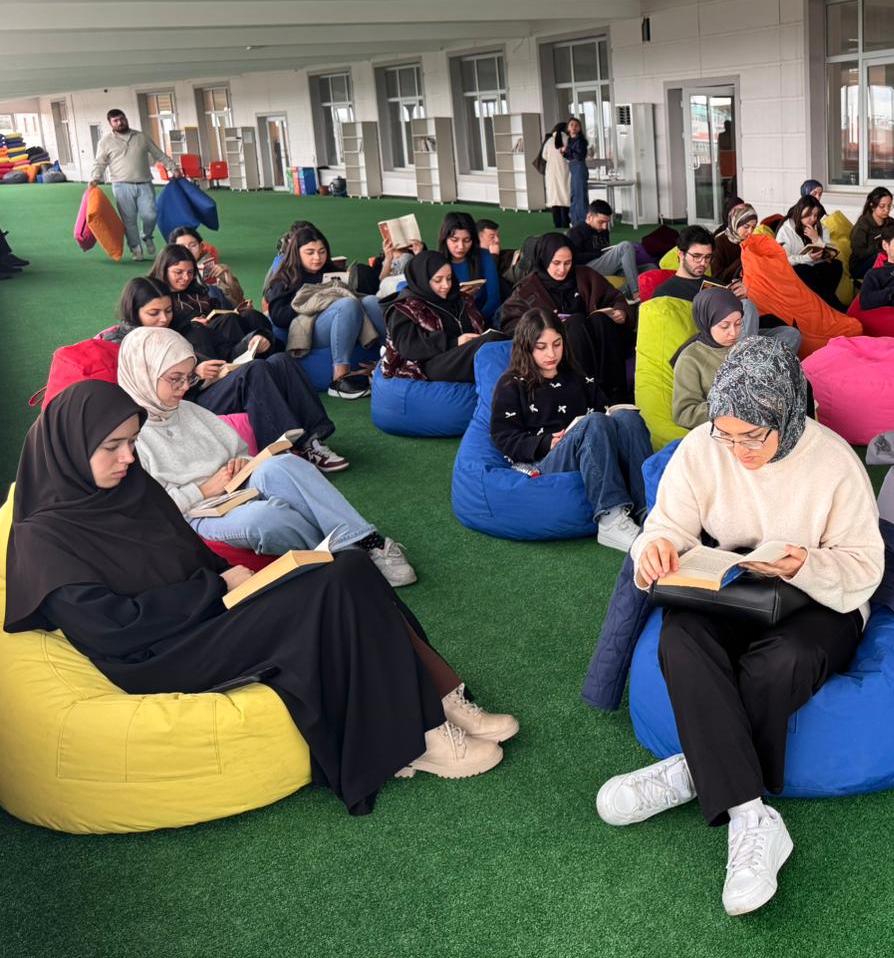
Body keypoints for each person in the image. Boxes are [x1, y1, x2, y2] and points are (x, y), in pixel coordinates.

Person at [5, 381, 517, 815]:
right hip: (159, 653)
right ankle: (415, 735)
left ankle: (440, 696)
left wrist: (231, 577)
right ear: (69, 447)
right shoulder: (42, 537)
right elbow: (111, 628)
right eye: (112, 446)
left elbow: (191, 556)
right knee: (334, 587)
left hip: (208, 615)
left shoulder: (134, 488)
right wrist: (213, 588)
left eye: (132, 442)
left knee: (350, 565)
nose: (128, 457)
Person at [601, 337, 884, 917]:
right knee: (680, 637)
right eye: (725, 435)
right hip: (734, 585)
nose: (738, 450)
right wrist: (655, 549)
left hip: (819, 598)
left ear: (786, 413)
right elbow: (666, 525)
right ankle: (752, 815)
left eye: (752, 436)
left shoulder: (834, 462)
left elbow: (865, 567)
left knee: (780, 662)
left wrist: (803, 564)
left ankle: (694, 769)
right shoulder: (702, 449)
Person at [115, 327, 416, 585]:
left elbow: (240, 451)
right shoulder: (126, 433)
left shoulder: (189, 410)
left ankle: (366, 540)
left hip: (235, 487)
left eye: (188, 378)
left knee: (281, 464)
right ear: (144, 373)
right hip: (197, 513)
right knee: (266, 518)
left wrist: (240, 464)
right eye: (175, 379)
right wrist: (204, 490)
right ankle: (348, 558)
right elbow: (147, 512)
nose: (184, 388)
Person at [100, 277, 348, 472]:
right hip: (184, 403)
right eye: (154, 313)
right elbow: (144, 387)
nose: (164, 319)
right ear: (134, 311)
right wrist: (195, 375)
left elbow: (227, 352)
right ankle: (283, 450)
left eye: (168, 310)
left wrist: (252, 342)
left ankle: (314, 440)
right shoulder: (128, 343)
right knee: (256, 371)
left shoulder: (186, 326)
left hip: (212, 386)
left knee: (280, 360)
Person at [489, 309, 653, 552]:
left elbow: (603, 409)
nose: (551, 353)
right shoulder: (511, 384)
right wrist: (546, 442)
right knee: (594, 422)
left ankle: (649, 511)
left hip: (591, 446)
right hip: (545, 461)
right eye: (541, 347)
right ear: (526, 347)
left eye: (557, 344)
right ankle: (611, 518)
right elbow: (503, 437)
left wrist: (616, 415)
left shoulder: (576, 375)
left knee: (628, 418)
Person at [500, 233, 634, 401]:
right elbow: (510, 323)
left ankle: (616, 393)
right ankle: (586, 391)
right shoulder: (526, 289)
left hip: (600, 344)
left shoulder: (586, 276)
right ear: (544, 259)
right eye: (556, 263)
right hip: (560, 351)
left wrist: (622, 312)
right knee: (576, 323)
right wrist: (543, 326)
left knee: (601, 320)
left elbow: (615, 298)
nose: (562, 269)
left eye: (567, 263)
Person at [265, 224, 386, 400]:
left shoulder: (332, 272)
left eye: (322, 252)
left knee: (371, 301)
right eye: (310, 252)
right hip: (308, 328)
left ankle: (392, 359)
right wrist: (311, 300)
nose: (317, 257)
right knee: (348, 304)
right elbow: (278, 317)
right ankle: (340, 378)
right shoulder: (285, 278)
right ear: (296, 253)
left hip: (344, 322)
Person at [656, 225, 801, 352]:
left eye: (707, 257)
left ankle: (749, 362)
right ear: (681, 255)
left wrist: (739, 298)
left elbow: (739, 318)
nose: (703, 263)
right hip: (708, 342)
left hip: (735, 337)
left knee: (791, 334)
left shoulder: (714, 283)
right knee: (747, 306)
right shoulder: (665, 291)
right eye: (696, 256)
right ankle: (741, 365)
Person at [381, 251, 494, 384]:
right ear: (422, 279)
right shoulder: (404, 309)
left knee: (498, 341)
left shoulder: (461, 299)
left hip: (461, 355)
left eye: (449, 278)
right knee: (490, 344)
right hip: (424, 367)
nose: (446, 285)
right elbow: (408, 348)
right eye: (438, 280)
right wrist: (454, 342)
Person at [149, 244, 276, 362]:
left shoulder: (197, 290)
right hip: (194, 340)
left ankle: (270, 357)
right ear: (164, 270)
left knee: (252, 316)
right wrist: (189, 325)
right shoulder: (155, 295)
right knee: (229, 320)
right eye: (178, 272)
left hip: (216, 331)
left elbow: (223, 307)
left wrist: (237, 307)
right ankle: (240, 363)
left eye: (190, 272)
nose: (186, 277)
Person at [88, 108, 161, 260]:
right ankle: (135, 249)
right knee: (129, 220)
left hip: (145, 183)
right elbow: (100, 162)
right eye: (116, 120)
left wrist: (173, 168)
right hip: (121, 186)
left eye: (122, 119)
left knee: (150, 215)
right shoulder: (105, 142)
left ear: (126, 119)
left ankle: (147, 236)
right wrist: (95, 178)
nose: (120, 122)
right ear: (110, 123)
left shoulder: (141, 137)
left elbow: (158, 154)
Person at [671, 286, 746, 430]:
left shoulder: (743, 348)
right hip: (722, 430)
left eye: (738, 324)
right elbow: (684, 413)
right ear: (705, 322)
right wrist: (731, 406)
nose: (733, 333)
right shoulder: (690, 359)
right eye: (724, 326)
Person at [774, 194, 844, 309]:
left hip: (815, 265)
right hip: (797, 268)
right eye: (809, 215)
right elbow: (783, 259)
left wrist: (816, 239)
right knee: (804, 270)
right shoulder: (786, 230)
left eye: (816, 215)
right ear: (800, 212)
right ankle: (831, 306)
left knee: (836, 266)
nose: (813, 219)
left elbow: (830, 253)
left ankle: (823, 304)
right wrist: (806, 258)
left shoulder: (819, 227)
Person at [568, 200, 647, 297]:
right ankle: (636, 292)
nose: (605, 227)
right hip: (587, 270)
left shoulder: (604, 231)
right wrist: (598, 254)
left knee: (649, 267)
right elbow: (573, 258)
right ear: (589, 217)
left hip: (604, 267)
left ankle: (633, 293)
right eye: (601, 222)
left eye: (607, 222)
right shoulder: (576, 231)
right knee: (625, 246)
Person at [437, 210, 503, 322]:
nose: (461, 246)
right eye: (454, 240)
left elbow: (494, 298)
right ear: (445, 239)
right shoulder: (437, 261)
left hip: (482, 318)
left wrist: (476, 322)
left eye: (466, 240)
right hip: (450, 321)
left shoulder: (484, 256)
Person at [168, 225, 247, 307]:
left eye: (193, 245)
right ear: (173, 250)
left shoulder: (215, 269)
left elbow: (239, 299)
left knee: (211, 288)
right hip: (185, 310)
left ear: (201, 247)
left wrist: (227, 274)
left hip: (220, 310)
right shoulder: (167, 270)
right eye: (182, 247)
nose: (188, 250)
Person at [848, 188, 894, 281]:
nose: (887, 210)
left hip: (885, 261)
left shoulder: (891, 222)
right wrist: (879, 245)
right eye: (882, 206)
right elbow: (859, 254)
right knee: (881, 255)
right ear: (872, 206)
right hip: (861, 266)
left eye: (889, 206)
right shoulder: (862, 226)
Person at [711, 203, 757, 284]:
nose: (750, 232)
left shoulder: (752, 241)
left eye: (753, 227)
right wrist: (742, 259)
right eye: (746, 226)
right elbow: (717, 278)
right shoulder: (719, 242)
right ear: (735, 223)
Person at [542, 126, 573, 230]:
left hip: (551, 173)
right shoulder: (568, 140)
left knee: (554, 198)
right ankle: (565, 222)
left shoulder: (549, 141)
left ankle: (557, 222)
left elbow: (544, 156)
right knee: (564, 196)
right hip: (564, 171)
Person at [564, 117, 590, 223]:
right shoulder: (570, 140)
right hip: (573, 168)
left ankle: (583, 222)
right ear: (568, 128)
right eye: (572, 125)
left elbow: (580, 156)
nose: (574, 127)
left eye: (576, 125)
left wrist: (567, 150)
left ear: (579, 128)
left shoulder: (581, 141)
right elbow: (570, 156)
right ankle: (575, 221)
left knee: (580, 196)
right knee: (574, 195)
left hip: (579, 168)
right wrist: (564, 152)